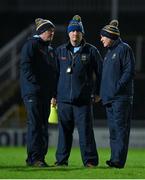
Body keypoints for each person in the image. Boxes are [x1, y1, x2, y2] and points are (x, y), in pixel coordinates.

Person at [54, 15, 102, 167]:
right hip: (63, 101)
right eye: (72, 31)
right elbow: (53, 76)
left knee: (86, 133)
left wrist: (98, 92)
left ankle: (90, 162)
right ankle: (61, 161)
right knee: (63, 134)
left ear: (82, 34)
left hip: (83, 101)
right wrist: (53, 96)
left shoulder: (91, 51)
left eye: (78, 31)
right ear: (68, 33)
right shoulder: (60, 51)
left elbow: (101, 74)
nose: (75, 34)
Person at [20, 18, 56, 167]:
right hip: (33, 92)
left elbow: (52, 73)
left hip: (44, 93)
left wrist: (52, 93)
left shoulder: (49, 49)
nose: (52, 33)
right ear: (41, 31)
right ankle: (33, 158)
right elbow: (26, 67)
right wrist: (38, 84)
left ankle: (40, 158)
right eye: (49, 30)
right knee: (35, 125)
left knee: (42, 126)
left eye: (53, 31)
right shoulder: (31, 45)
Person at [100, 20, 135, 168]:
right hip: (110, 99)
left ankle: (118, 161)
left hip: (120, 98)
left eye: (103, 36)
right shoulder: (109, 53)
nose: (101, 39)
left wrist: (117, 87)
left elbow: (129, 71)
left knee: (120, 130)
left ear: (110, 36)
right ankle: (114, 158)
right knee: (114, 131)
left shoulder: (124, 49)